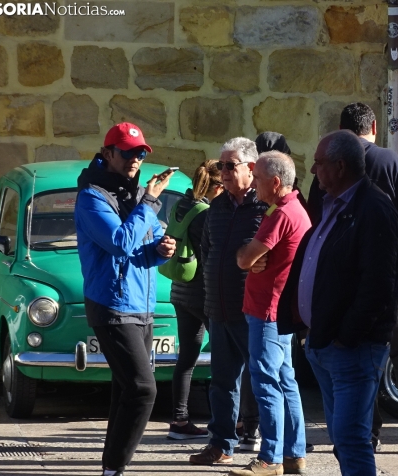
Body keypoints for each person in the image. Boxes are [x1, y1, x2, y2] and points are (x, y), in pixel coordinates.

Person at [307, 102, 398, 452]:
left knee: (359, 352)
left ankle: (366, 432)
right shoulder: (387, 160)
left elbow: (315, 222)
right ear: (373, 126)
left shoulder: (326, 167)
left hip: (345, 274)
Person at [278, 130, 398, 476]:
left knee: (350, 437)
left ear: (341, 165)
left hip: (352, 347)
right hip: (324, 342)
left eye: (319, 164)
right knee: (342, 437)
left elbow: (378, 285)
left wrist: (346, 335)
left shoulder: (374, 208)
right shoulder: (332, 203)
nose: (314, 171)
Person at [74, 122, 176, 476]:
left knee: (124, 391)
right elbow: (118, 242)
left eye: (141, 153)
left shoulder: (135, 195)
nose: (136, 159)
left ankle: (110, 469)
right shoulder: (91, 196)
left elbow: (145, 246)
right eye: (128, 152)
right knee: (143, 389)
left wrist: (163, 249)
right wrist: (149, 202)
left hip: (142, 304)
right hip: (112, 304)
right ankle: (117, 467)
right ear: (107, 153)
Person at [189, 138, 268, 465]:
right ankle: (221, 445)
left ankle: (274, 450)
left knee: (265, 382)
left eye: (229, 166)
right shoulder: (217, 208)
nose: (222, 172)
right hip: (219, 309)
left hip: (252, 312)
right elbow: (207, 252)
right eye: (221, 165)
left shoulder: (264, 207)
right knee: (221, 382)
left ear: (250, 169)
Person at [231, 152, 310, 475]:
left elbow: (245, 258)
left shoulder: (280, 214)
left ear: (276, 182)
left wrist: (246, 255)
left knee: (266, 381)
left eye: (259, 178)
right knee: (284, 379)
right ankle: (293, 453)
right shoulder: (293, 209)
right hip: (278, 309)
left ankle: (270, 458)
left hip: (268, 310)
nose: (254, 184)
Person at [167, 160, 223, 440]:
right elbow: (213, 256)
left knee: (186, 359)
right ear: (218, 186)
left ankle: (179, 421)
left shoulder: (182, 204)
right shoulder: (206, 214)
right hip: (203, 294)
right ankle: (224, 422)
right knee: (224, 359)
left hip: (180, 291)